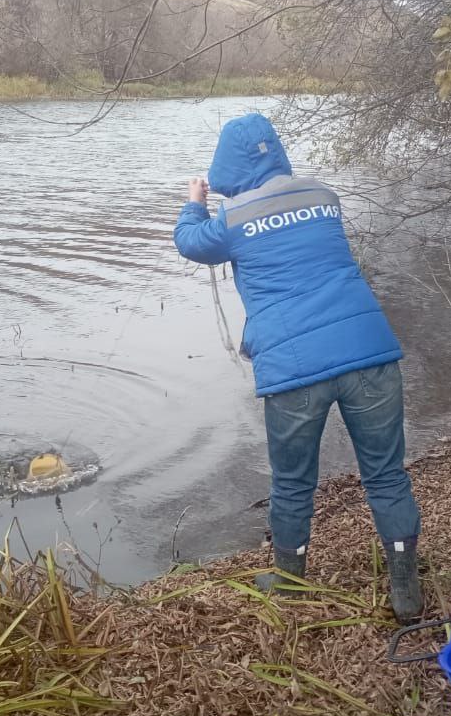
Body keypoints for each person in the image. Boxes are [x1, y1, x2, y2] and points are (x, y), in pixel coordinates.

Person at [173, 112, 423, 619]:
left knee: (291, 483)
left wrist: (195, 203)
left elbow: (191, 244)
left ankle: (289, 584)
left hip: (295, 369)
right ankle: (405, 588)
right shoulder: (325, 197)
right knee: (386, 476)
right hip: (370, 352)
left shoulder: (233, 220)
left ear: (227, 165)